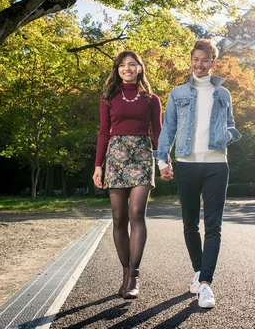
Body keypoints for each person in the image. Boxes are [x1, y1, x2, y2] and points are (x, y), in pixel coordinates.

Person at [155, 39, 241, 309]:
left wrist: (225, 136)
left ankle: (205, 284)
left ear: (213, 63)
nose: (199, 64)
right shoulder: (177, 93)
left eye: (205, 60)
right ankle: (198, 270)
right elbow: (167, 128)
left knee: (213, 225)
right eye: (196, 59)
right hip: (187, 163)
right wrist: (162, 160)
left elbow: (231, 126)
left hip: (217, 163)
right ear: (190, 60)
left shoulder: (223, 94)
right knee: (189, 223)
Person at [92, 50, 162, 300]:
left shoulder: (151, 99)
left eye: (132, 65)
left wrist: (164, 160)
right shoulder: (109, 98)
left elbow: (157, 133)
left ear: (140, 68)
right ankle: (124, 272)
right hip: (116, 156)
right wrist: (98, 165)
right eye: (123, 65)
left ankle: (134, 277)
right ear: (117, 70)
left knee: (136, 214)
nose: (127, 69)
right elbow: (103, 133)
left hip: (143, 155)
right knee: (119, 217)